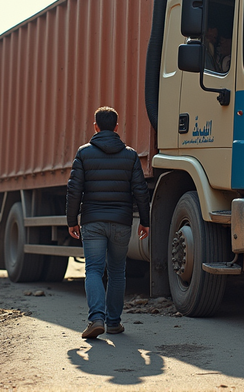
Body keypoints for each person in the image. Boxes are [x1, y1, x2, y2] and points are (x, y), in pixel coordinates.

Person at [66, 106, 150, 339]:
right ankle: (113, 322)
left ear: (95, 127)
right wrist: (145, 220)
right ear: (116, 127)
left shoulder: (84, 153)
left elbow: (74, 190)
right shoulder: (131, 155)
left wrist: (72, 220)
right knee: (117, 271)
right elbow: (140, 191)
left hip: (93, 221)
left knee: (93, 269)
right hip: (121, 222)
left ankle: (96, 319)